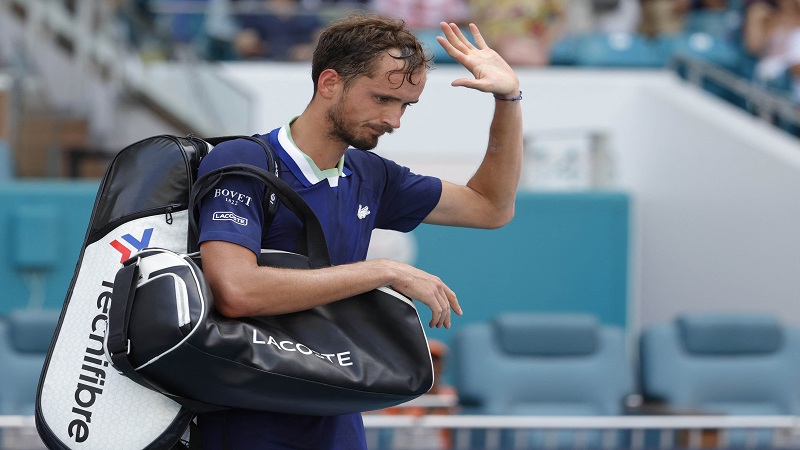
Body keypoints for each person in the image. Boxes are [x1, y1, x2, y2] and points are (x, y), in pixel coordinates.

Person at [194, 13, 522, 449]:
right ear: (330, 82)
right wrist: (383, 271)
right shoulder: (243, 160)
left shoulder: (372, 174)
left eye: (405, 105)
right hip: (246, 419)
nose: (395, 119)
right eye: (382, 98)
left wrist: (508, 99)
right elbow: (236, 291)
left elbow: (491, 208)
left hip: (338, 415)